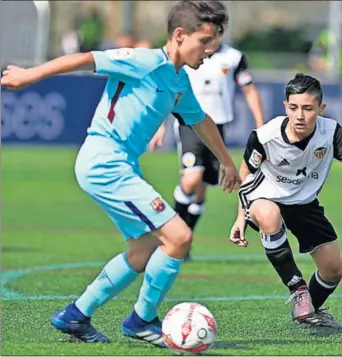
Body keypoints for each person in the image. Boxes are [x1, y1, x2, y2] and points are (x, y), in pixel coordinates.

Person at [1, 0, 241, 346]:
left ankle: (76, 315)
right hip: (105, 162)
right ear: (178, 34)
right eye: (205, 40)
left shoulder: (178, 81)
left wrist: (227, 161)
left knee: (143, 250)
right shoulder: (144, 61)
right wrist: (29, 74)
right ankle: (141, 320)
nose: (211, 49)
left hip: (120, 165)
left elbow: (200, 119)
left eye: (215, 41)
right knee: (179, 237)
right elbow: (87, 59)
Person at [229, 73, 342, 328]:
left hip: (304, 204)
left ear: (321, 108)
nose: (300, 115)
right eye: (294, 108)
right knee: (268, 214)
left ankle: (307, 312)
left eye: (308, 108)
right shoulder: (265, 136)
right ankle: (297, 288)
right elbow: (246, 173)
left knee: (333, 269)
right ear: (285, 106)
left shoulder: (331, 132)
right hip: (265, 197)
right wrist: (241, 216)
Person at [150, 8, 264, 260]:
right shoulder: (188, 54)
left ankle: (183, 241)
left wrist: (261, 125)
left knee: (200, 189)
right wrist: (160, 126)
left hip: (217, 127)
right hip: (188, 125)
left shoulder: (234, 57)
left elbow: (249, 90)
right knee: (190, 180)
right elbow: (168, 92)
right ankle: (173, 238)